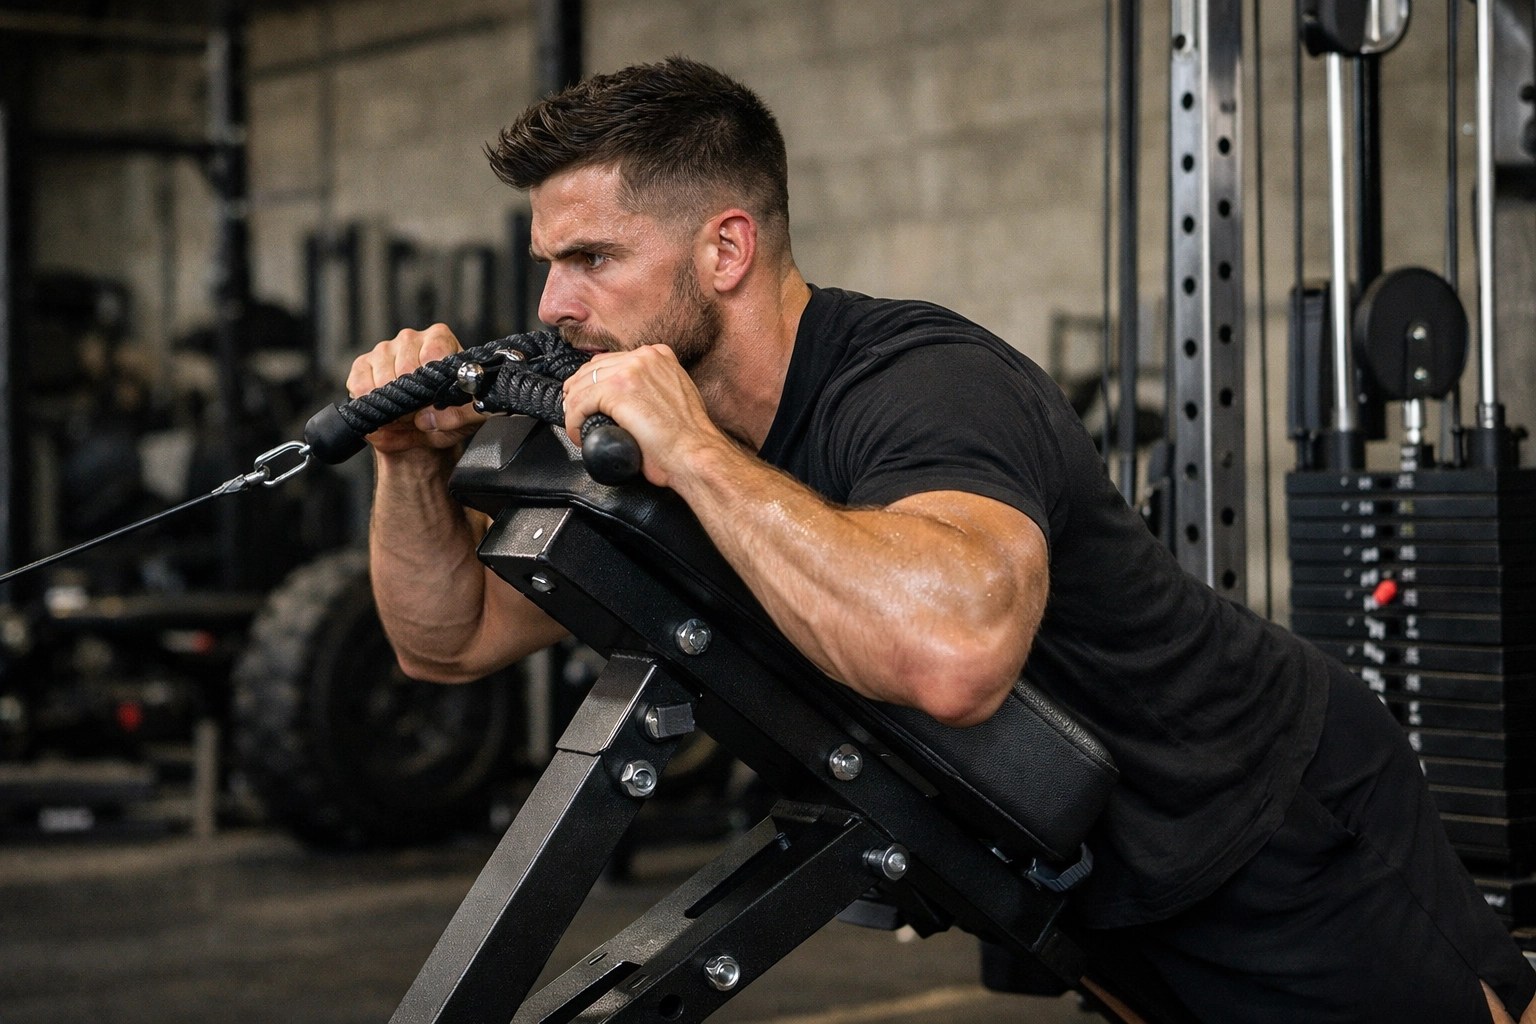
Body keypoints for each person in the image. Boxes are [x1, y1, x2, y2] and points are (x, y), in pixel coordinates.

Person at [347, 56, 1535, 1023]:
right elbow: (446, 644)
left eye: (590, 259)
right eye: (549, 262)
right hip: (1085, 883)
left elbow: (954, 657)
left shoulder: (922, 383)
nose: (552, 302)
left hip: (1268, 823)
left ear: (724, 249)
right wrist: (409, 469)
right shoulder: (643, 428)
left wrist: (701, 458)